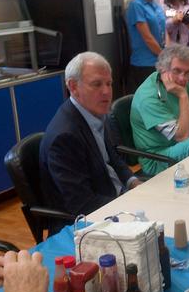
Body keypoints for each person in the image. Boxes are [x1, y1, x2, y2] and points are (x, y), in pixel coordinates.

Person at [40, 52, 140, 232]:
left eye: (109, 83)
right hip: (87, 224)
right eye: (97, 84)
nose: (107, 91)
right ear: (73, 86)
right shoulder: (64, 137)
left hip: (114, 200)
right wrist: (127, 205)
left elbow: (114, 160)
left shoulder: (95, 114)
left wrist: (134, 183)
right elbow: (82, 203)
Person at [131, 45, 189, 176]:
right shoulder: (148, 97)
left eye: (187, 73)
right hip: (158, 158)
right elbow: (182, 136)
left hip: (179, 146)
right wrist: (183, 96)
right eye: (177, 71)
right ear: (163, 68)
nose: (182, 78)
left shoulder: (183, 85)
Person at [125, 0, 166, 91]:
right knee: (150, 97)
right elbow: (147, 37)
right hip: (144, 63)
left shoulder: (156, 4)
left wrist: (167, 53)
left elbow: (164, 30)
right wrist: (164, 55)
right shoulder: (136, 5)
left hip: (159, 59)